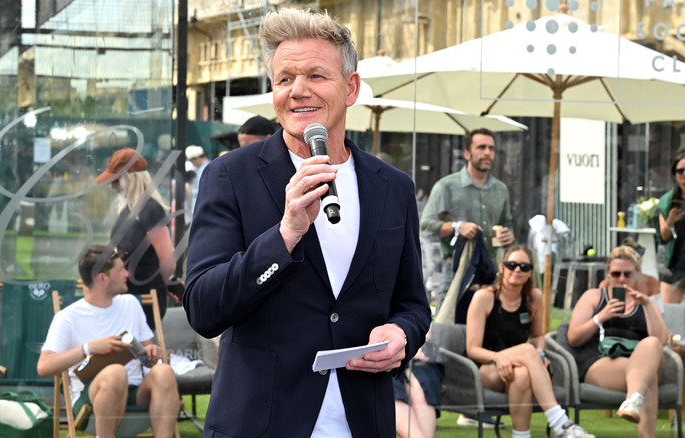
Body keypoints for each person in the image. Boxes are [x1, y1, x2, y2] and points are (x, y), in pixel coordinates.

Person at [184, 8, 431, 438]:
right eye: (284, 79)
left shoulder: (393, 187)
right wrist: (285, 235)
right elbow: (203, 309)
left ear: (351, 88)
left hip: (363, 421)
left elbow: (412, 304)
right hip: (261, 424)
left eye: (316, 75)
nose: (298, 91)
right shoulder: (229, 176)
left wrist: (401, 333)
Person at [37, 244, 181, 438]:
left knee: (164, 371)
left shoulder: (131, 304)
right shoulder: (67, 318)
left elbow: (148, 351)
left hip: (136, 394)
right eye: (121, 270)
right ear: (102, 278)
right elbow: (44, 367)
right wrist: (89, 348)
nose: (127, 274)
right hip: (90, 402)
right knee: (115, 372)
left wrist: (152, 351)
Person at [466, 245, 592, 438]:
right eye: (512, 265)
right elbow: (472, 349)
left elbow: (538, 336)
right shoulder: (484, 297)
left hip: (520, 367)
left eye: (524, 267)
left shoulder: (534, 297)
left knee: (523, 374)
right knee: (527, 350)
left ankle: (521, 435)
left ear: (530, 272)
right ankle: (560, 423)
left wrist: (539, 353)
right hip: (485, 368)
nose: (517, 270)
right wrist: (498, 358)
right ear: (502, 267)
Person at [568, 246, 668, 437]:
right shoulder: (594, 297)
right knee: (648, 378)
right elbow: (573, 337)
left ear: (638, 273)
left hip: (640, 359)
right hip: (602, 361)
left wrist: (648, 305)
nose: (621, 279)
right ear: (608, 273)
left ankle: (633, 399)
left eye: (627, 274)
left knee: (651, 344)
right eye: (616, 273)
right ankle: (635, 402)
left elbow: (662, 341)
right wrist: (601, 317)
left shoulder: (646, 303)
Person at [420, 128, 515, 311]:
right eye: (481, 147)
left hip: (489, 271)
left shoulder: (501, 189)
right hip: (456, 270)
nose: (487, 152)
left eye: (491, 148)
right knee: (448, 326)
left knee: (489, 326)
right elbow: (424, 227)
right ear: (466, 153)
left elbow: (507, 225)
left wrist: (508, 236)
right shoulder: (446, 186)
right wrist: (457, 227)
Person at [95, 148, 176, 328]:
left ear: (131, 178)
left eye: (116, 181)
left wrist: (162, 282)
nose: (113, 186)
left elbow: (168, 261)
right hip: (128, 295)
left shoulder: (150, 209)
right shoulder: (130, 208)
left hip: (143, 297)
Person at [392, 343, 444, 438]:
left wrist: (415, 346)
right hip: (387, 361)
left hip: (422, 359)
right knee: (393, 390)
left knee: (420, 386)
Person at [656, 151, 685, 303]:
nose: (684, 174)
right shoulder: (667, 201)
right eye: (680, 170)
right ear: (674, 174)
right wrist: (670, 221)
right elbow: (664, 236)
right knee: (668, 311)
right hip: (675, 263)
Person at [185, 145, 210, 214]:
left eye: (192, 161)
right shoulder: (203, 169)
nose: (192, 163)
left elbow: (201, 192)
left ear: (197, 158)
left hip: (202, 212)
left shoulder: (205, 169)